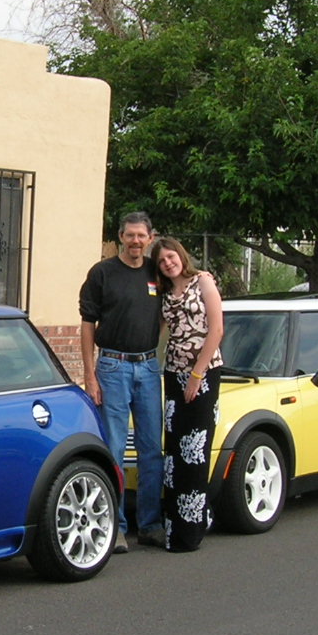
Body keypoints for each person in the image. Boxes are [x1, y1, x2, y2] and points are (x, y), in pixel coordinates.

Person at [79, 212, 164, 552]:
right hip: (112, 367)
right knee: (114, 449)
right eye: (130, 236)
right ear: (120, 238)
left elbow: (165, 312)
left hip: (148, 367)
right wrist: (90, 375)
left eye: (141, 236)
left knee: (151, 450)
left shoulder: (156, 272)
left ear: (150, 238)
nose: (135, 241)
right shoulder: (102, 273)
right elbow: (87, 323)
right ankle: (114, 527)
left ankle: (150, 525)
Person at [152, 236, 223, 552]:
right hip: (173, 374)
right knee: (174, 455)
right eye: (162, 261)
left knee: (195, 451)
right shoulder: (166, 293)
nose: (168, 263)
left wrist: (197, 375)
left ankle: (192, 530)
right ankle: (173, 531)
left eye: (171, 256)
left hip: (203, 375)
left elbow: (217, 330)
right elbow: (158, 332)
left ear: (181, 255)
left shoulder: (203, 281)